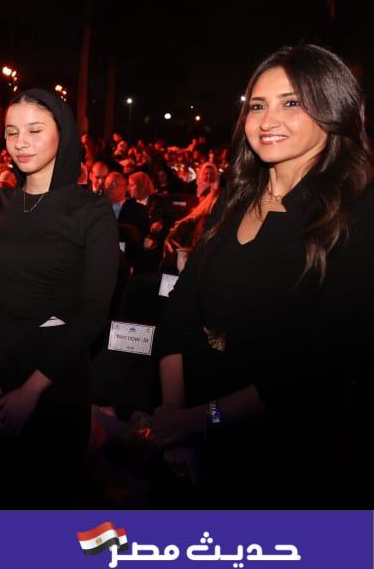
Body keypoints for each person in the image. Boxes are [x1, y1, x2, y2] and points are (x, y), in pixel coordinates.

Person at [152, 44, 374, 507]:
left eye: (291, 102)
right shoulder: (233, 201)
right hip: (193, 446)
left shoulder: (357, 211)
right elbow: (180, 309)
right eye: (257, 105)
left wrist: (200, 420)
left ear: (332, 109)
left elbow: (320, 367)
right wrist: (175, 416)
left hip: (287, 463)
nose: (267, 120)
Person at [0, 88, 120, 506]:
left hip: (55, 376)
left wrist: (33, 390)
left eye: (34, 130)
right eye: (11, 131)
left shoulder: (91, 210)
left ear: (63, 133)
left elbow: (94, 312)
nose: (20, 142)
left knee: (47, 503)